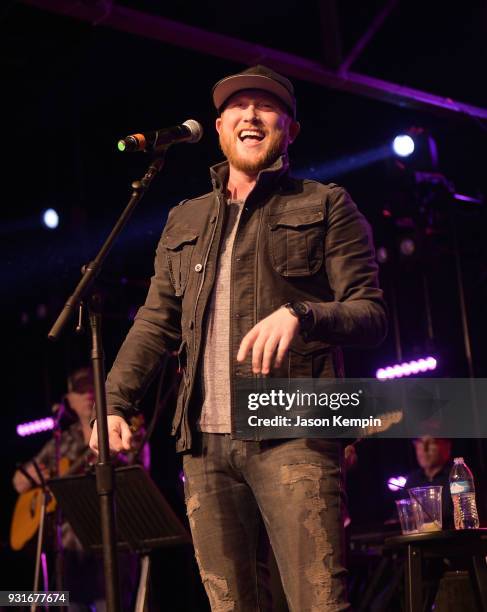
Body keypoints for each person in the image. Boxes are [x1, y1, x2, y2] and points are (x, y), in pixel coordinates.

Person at [90, 65, 387, 611]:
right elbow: (156, 321)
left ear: (289, 129)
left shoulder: (325, 205)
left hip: (292, 428)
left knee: (317, 603)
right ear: (220, 127)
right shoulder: (186, 219)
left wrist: (302, 313)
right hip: (204, 446)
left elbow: (369, 314)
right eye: (238, 108)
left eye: (266, 106)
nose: (250, 115)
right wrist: (115, 402)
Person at [13, 366, 147, 611]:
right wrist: (26, 478)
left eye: (91, 389)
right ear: (69, 401)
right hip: (70, 553)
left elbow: (137, 479)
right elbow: (20, 480)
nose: (87, 395)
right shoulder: (63, 440)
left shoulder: (124, 430)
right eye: (80, 391)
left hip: (111, 543)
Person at [405, 436, 453, 527]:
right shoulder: (412, 480)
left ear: (447, 446)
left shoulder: (457, 476)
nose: (424, 449)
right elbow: (403, 514)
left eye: (431, 442)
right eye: (420, 442)